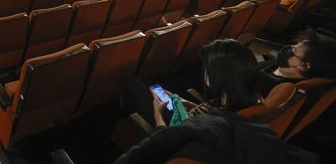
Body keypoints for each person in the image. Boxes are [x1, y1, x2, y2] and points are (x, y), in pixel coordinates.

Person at [115, 39, 319, 164]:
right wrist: (190, 105)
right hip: (195, 118)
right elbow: (216, 114)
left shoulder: (208, 126)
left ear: (216, 79)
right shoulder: (252, 103)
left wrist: (159, 116)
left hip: (173, 126)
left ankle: (119, 123)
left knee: (134, 84)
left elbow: (165, 140)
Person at [259, 28, 336, 96]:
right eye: (294, 45)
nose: (288, 48)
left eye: (294, 50)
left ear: (304, 66)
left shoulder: (278, 88)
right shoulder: (278, 66)